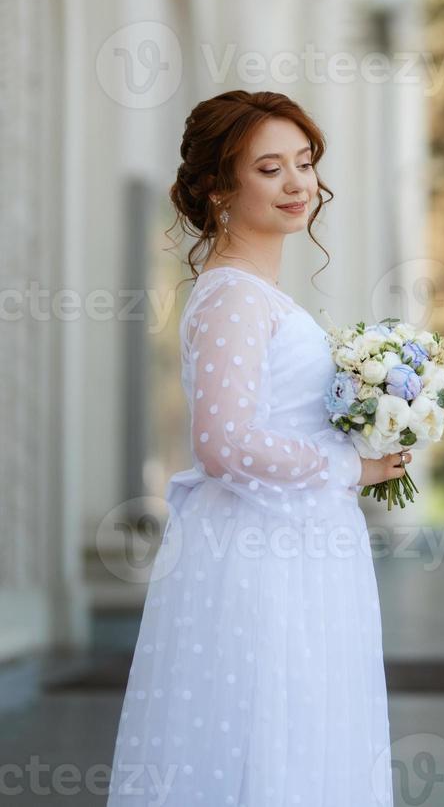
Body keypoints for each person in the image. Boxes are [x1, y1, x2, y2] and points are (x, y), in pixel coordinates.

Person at [106, 89, 411, 806]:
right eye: (269, 169)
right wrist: (352, 466)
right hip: (262, 558)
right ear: (218, 187)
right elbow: (223, 443)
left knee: (301, 735)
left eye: (303, 163)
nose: (298, 183)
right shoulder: (235, 297)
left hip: (297, 546)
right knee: (270, 734)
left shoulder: (256, 293)